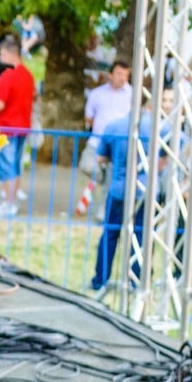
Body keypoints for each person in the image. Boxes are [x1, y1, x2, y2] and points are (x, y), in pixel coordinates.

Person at [90, 107, 167, 291]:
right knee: (142, 236)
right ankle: (137, 280)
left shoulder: (114, 126)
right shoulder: (160, 127)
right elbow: (166, 157)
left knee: (110, 234)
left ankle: (100, 279)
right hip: (147, 190)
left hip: (119, 189)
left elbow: (100, 157)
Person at [0, 35, 35, 216]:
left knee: (5, 166)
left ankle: (9, 203)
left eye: (2, 54)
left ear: (9, 53)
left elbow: (0, 104)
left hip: (5, 127)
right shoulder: (28, 75)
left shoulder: (7, 76)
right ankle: (11, 200)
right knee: (15, 165)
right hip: (22, 126)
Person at [79, 60, 132, 214]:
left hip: (118, 143)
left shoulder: (132, 94)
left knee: (112, 176)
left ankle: (103, 211)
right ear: (110, 75)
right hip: (97, 140)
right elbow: (89, 117)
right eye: (119, 74)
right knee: (87, 165)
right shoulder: (97, 94)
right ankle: (99, 178)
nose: (123, 78)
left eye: (126, 75)